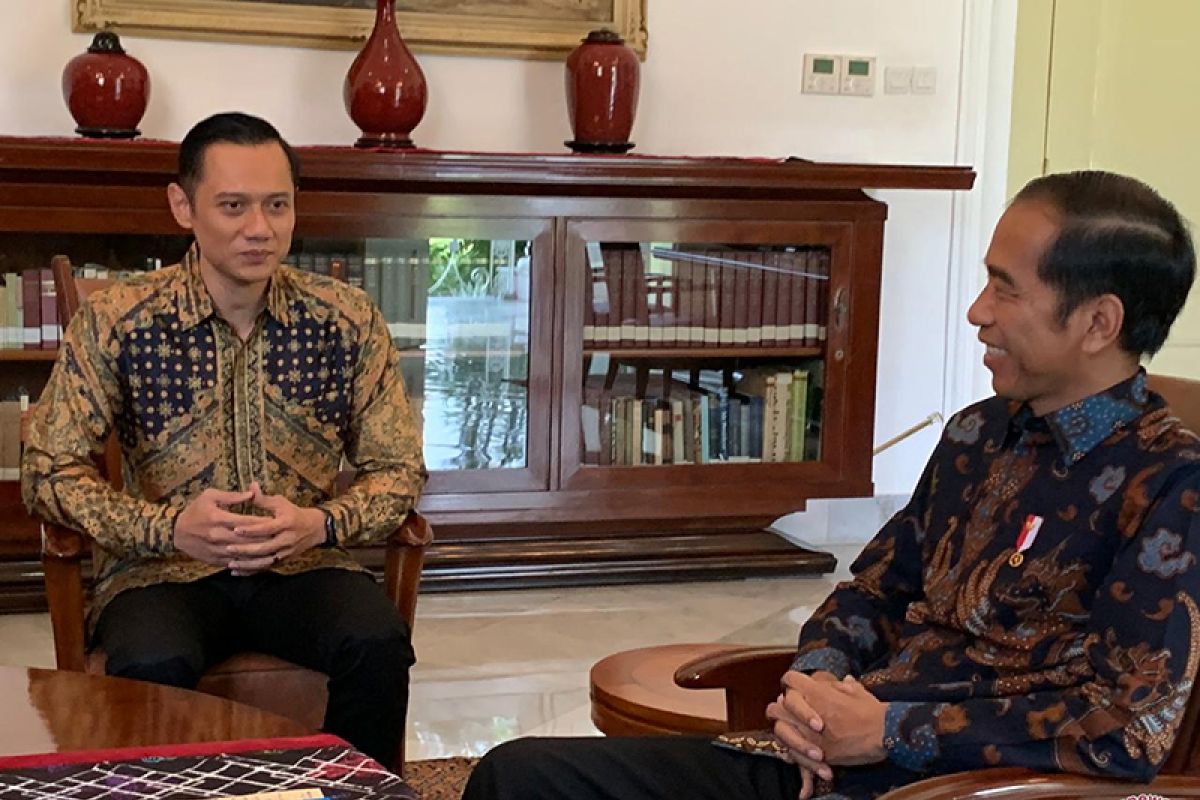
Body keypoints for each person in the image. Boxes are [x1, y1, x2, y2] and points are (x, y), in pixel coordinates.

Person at [460, 170, 1200, 800]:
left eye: (1005, 290)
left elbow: (1126, 729)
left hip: (957, 787)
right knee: (519, 777)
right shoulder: (978, 433)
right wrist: (817, 686)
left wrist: (888, 730)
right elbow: (874, 589)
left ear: (1098, 322)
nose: (977, 312)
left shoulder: (1171, 486)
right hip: (831, 762)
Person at [21, 112, 426, 768]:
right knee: (152, 660)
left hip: (302, 564)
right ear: (183, 206)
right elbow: (47, 469)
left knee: (375, 641)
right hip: (160, 571)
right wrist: (166, 528)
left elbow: (398, 469)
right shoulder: (118, 320)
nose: (259, 228)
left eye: (277, 205)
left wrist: (321, 524)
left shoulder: (347, 319)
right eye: (233, 206)